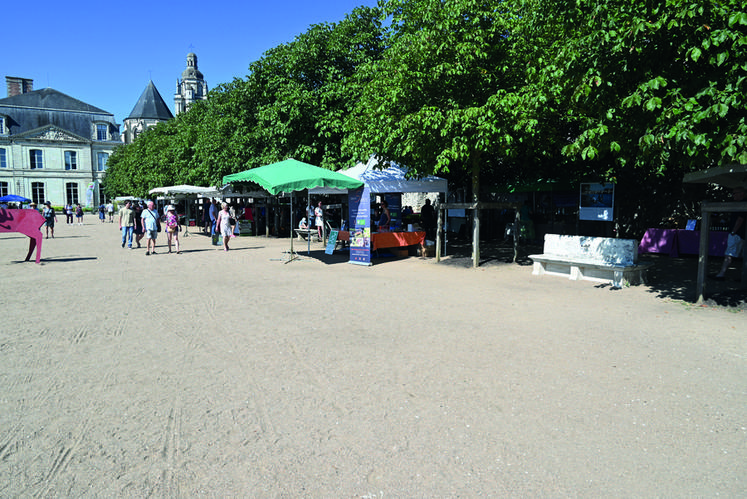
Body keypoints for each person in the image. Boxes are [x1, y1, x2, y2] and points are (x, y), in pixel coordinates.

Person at [714, 186, 746, 280]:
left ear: (742, 194)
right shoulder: (739, 204)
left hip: (737, 233)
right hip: (738, 233)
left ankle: (721, 274)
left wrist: (733, 231)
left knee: (729, 253)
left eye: (735, 193)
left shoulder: (743, 204)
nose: (733, 195)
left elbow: (740, 219)